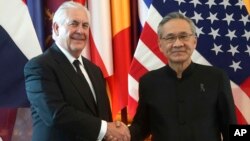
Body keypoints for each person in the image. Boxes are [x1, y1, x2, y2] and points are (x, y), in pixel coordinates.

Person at [24, 1, 130, 141]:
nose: (80, 31)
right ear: (56, 28)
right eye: (74, 24)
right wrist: (106, 129)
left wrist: (112, 132)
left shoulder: (95, 71)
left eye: (85, 25)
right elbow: (56, 114)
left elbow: (103, 117)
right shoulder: (39, 67)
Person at [129, 12, 236, 141]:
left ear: (194, 41)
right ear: (160, 45)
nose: (178, 44)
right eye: (170, 38)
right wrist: (118, 133)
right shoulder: (148, 82)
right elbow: (142, 127)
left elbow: (231, 128)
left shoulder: (217, 77)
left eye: (184, 36)